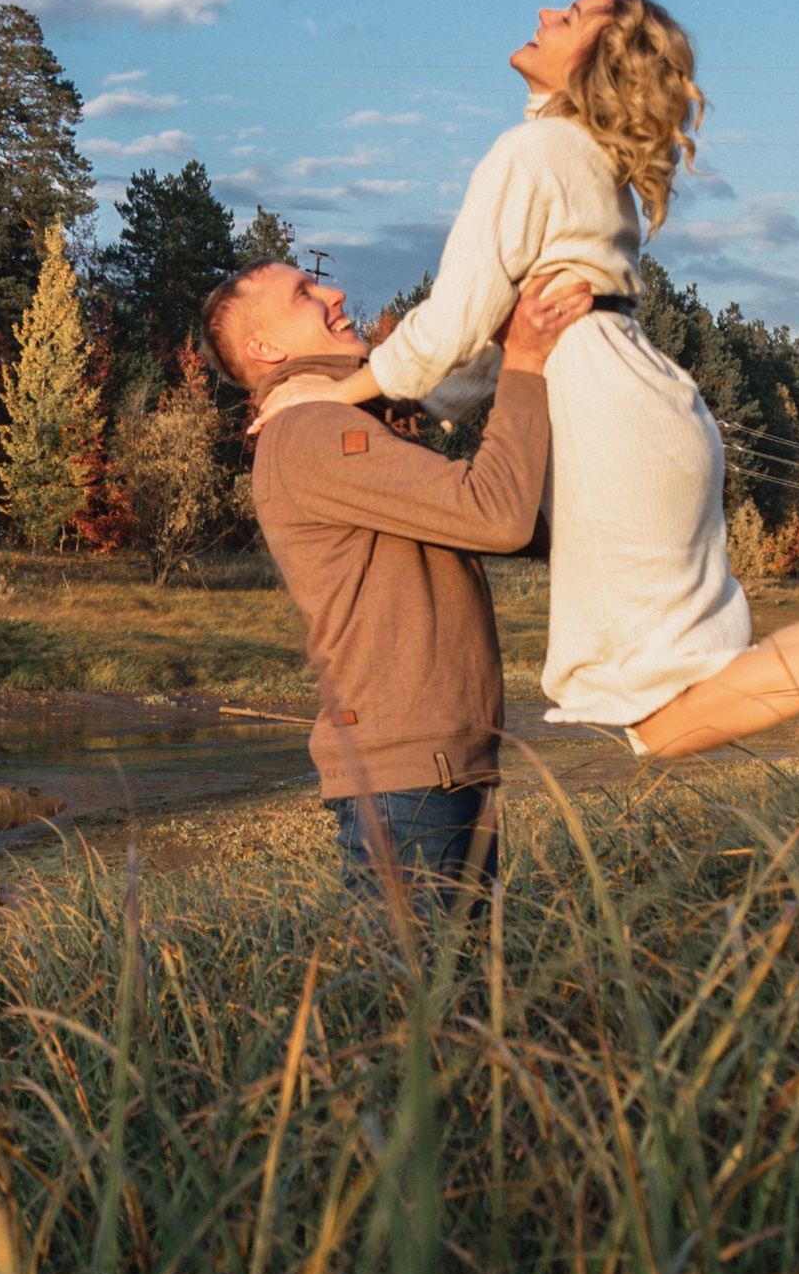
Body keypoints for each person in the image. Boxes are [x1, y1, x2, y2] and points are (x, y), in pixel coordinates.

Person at [302, 0, 799, 763]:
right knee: (699, 682)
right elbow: (494, 348)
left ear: (597, 63)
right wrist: (412, 399)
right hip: (647, 407)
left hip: (609, 425)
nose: (542, 14)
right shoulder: (587, 161)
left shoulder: (531, 152)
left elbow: (451, 325)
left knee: (662, 718)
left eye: (567, 18)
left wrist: (329, 401)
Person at [205, 254, 593, 902]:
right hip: (410, 784)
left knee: (449, 989)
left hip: (432, 772)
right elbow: (498, 515)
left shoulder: (347, 421)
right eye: (305, 293)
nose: (334, 290)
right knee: (426, 997)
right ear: (264, 346)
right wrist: (523, 360)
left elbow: (521, 523)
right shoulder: (312, 431)